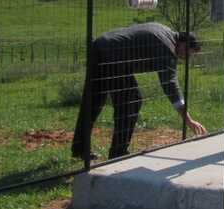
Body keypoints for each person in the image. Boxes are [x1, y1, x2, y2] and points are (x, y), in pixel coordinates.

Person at [72, 22, 207, 160]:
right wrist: (189, 120)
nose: (186, 58)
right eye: (188, 53)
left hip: (101, 46)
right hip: (113, 56)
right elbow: (171, 85)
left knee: (93, 102)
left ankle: (80, 149)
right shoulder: (167, 47)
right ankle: (118, 153)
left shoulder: (164, 30)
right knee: (131, 102)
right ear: (183, 43)